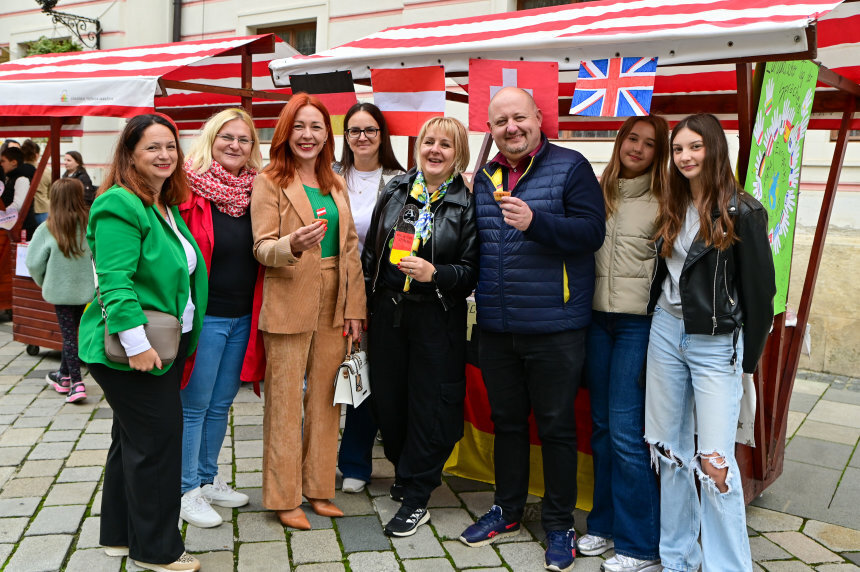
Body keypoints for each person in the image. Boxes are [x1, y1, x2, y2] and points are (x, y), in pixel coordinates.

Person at [459, 87, 605, 572]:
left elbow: (591, 233)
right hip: (499, 326)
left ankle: (560, 523)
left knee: (558, 427)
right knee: (508, 424)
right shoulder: (484, 175)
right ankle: (508, 508)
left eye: (518, 118)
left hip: (555, 326)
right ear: (491, 129)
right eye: (500, 122)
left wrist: (537, 221)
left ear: (538, 118)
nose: (511, 128)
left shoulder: (572, 166)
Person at [644, 113, 775, 572]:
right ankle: (678, 558)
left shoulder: (744, 210)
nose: (685, 157)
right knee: (669, 451)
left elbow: (761, 297)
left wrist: (748, 359)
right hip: (664, 332)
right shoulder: (672, 202)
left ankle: (728, 567)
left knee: (715, 462)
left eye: (694, 147)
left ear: (714, 149)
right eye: (678, 149)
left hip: (715, 342)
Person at [78, 113, 207, 572]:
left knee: (130, 439)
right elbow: (114, 281)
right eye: (152, 147)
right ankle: (156, 550)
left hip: (159, 344)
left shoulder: (158, 203)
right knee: (157, 443)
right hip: (135, 349)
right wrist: (136, 346)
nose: (165, 155)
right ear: (130, 153)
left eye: (170, 146)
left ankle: (119, 535)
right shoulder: (119, 204)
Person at [250, 93, 365, 531]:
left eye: (316, 127)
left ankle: (318, 488)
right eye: (299, 126)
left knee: (326, 399)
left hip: (335, 299)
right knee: (283, 403)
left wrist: (355, 308)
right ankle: (283, 496)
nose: (308, 135)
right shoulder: (270, 181)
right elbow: (260, 247)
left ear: (326, 135)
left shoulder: (335, 182)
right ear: (285, 132)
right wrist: (290, 245)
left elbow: (351, 249)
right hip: (288, 297)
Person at [363, 116, 478, 537]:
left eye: (445, 145)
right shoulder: (396, 191)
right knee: (389, 402)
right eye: (429, 142)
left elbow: (470, 271)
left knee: (430, 405)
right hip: (389, 312)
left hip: (436, 314)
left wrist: (437, 273)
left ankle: (418, 495)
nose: (435, 150)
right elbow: (372, 257)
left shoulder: (467, 202)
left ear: (458, 153)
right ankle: (405, 468)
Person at [577, 116, 668, 572]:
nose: (637, 148)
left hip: (637, 326)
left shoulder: (666, 199)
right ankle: (604, 524)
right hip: (595, 321)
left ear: (659, 152)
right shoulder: (598, 191)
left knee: (628, 434)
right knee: (600, 429)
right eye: (632, 138)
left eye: (649, 144)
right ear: (619, 141)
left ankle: (640, 546)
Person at [177, 108, 263, 528]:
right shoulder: (189, 190)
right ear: (211, 139)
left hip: (242, 317)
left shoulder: (256, 192)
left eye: (243, 139)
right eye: (227, 137)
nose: (234, 145)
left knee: (221, 403)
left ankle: (208, 479)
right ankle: (185, 488)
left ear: (252, 148)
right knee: (194, 405)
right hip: (207, 316)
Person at [333, 102, 405, 495]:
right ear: (345, 137)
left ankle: (355, 461)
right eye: (354, 130)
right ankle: (316, 459)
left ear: (382, 135)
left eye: (370, 130)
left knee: (365, 371)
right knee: (326, 374)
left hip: (378, 289)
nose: (362, 137)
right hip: (331, 287)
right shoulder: (329, 176)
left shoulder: (399, 179)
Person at [25, 178, 93, 403]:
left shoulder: (47, 228)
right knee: (73, 333)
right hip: (85, 290)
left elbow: (33, 263)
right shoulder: (89, 224)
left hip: (59, 292)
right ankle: (63, 376)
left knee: (69, 335)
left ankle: (77, 383)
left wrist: (44, 281)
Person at [1, 145, 38, 238]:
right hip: (15, 227)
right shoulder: (11, 177)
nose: (1, 164)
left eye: (3, 161)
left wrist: (2, 217)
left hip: (23, 228)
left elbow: (18, 205)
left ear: (13, 162)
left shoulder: (21, 179)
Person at [21, 140, 52, 225]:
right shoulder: (46, 171)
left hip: (22, 211)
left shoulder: (17, 170)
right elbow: (51, 193)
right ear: (37, 155)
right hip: (42, 209)